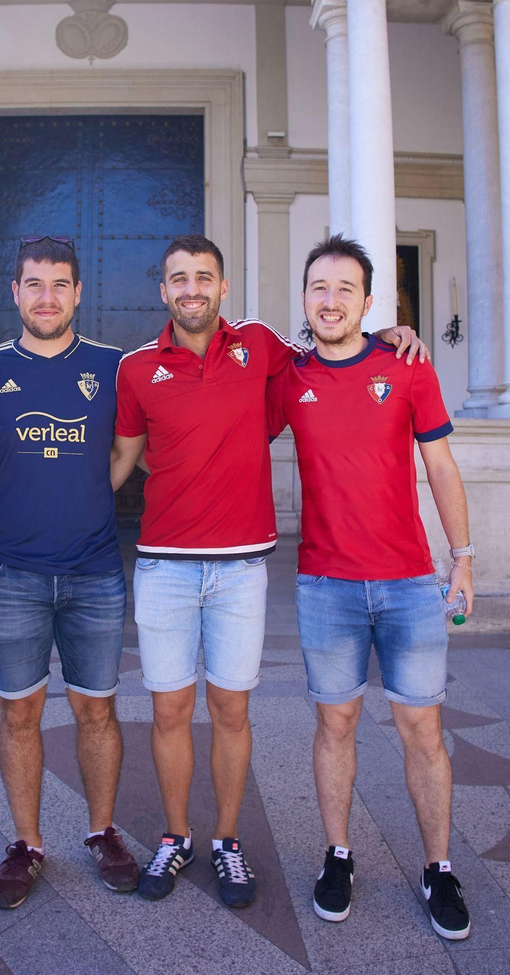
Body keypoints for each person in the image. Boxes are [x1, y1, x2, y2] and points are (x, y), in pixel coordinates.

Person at [109, 234, 427, 908]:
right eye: (178, 279)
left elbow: (334, 345)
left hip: (240, 568)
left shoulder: (260, 347)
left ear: (224, 288)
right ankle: (175, 836)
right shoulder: (136, 369)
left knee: (231, 710)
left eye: (204, 276)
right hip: (164, 565)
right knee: (168, 712)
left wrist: (392, 331)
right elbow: (127, 455)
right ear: (162, 291)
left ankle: (225, 841)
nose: (191, 288)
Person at [268, 235, 475, 940]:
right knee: (337, 723)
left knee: (423, 728)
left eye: (345, 289)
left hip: (411, 585)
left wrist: (464, 559)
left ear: (368, 300)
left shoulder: (408, 367)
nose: (330, 300)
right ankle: (338, 855)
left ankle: (439, 867)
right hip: (326, 585)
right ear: (305, 298)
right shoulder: (288, 379)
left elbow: (442, 468)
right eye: (319, 287)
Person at [0, 235, 138, 909]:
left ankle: (101, 831)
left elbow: (126, 447)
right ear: (15, 292)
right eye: (34, 284)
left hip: (92, 573)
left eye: (60, 284)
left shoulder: (113, 367)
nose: (47, 296)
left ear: (78, 292)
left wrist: (93, 489)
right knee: (20, 711)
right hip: (8, 574)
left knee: (96, 710)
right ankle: (26, 844)